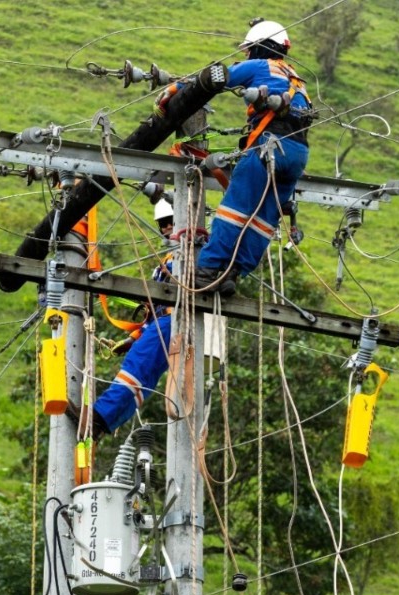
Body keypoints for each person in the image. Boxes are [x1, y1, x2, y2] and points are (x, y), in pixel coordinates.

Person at [192, 18, 312, 297]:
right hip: (296, 156)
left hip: (267, 148)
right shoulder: (298, 81)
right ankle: (232, 274)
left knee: (234, 210)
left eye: (248, 49)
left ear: (260, 48)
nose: (245, 54)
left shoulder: (261, 66)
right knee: (264, 220)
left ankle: (207, 270)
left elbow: (217, 79)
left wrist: (176, 89)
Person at [82, 199, 177, 437]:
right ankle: (104, 423)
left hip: (171, 321)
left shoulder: (189, 254)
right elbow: (153, 312)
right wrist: (133, 338)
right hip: (162, 323)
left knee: (136, 369)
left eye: (170, 222)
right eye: (162, 224)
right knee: (141, 380)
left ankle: (100, 416)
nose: (166, 229)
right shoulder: (168, 259)